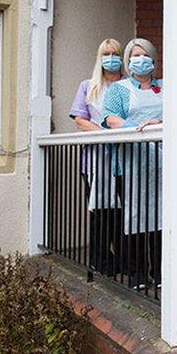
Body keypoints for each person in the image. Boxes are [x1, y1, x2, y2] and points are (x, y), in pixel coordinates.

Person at [103, 38, 163, 290]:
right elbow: (110, 118)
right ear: (128, 61)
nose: (140, 60)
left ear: (153, 59)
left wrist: (158, 126)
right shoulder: (119, 89)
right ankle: (138, 273)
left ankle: (161, 271)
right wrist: (136, 127)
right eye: (135, 56)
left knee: (163, 216)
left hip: (163, 160)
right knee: (135, 215)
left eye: (144, 55)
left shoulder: (166, 87)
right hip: (131, 160)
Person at [69, 38, 124, 277]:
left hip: (124, 158)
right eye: (106, 53)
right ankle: (101, 260)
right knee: (100, 210)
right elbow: (80, 120)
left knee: (123, 210)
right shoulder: (88, 86)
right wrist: (106, 134)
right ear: (100, 58)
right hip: (96, 159)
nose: (111, 57)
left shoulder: (128, 85)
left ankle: (123, 259)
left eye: (115, 53)